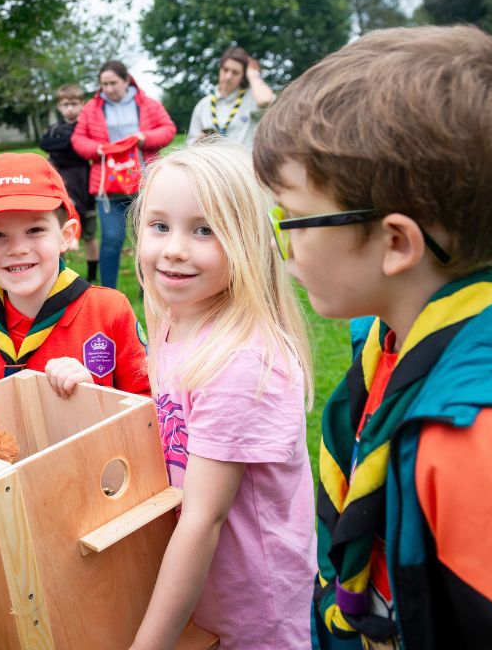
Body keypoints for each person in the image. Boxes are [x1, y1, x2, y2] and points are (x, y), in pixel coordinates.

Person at [254, 25, 492, 649]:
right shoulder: (389, 342)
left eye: (293, 218)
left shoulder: (477, 437)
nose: (284, 242)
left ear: (397, 243)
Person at [130, 140, 314, 649]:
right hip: (200, 594)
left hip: (251, 608)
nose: (174, 248)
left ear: (249, 241)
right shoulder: (175, 324)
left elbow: (202, 520)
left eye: (205, 230)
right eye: (160, 225)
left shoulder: (239, 364)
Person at [0, 153, 149, 396]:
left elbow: (150, 408)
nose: (18, 249)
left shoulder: (109, 311)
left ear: (66, 236)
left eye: (35, 230)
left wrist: (97, 396)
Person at [71, 60, 176, 289]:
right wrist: (96, 149)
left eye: (113, 83)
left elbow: (168, 129)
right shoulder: (92, 108)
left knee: (147, 238)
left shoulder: (147, 104)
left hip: (144, 182)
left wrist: (143, 138)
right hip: (108, 187)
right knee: (111, 238)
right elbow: (78, 139)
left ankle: (148, 289)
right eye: (104, 84)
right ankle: (108, 291)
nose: (108, 89)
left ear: (127, 80)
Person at [39, 83, 100, 281]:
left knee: (90, 233)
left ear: (82, 104)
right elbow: (47, 146)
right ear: (59, 106)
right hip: (62, 184)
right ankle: (58, 275)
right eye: (66, 104)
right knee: (58, 231)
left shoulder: (87, 128)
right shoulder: (55, 129)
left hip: (85, 183)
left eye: (74, 104)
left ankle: (91, 277)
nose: (70, 109)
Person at [186, 46, 275, 148]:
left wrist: (253, 74)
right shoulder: (203, 105)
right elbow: (189, 145)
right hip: (213, 163)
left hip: (243, 162)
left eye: (235, 72)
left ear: (243, 76)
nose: (228, 76)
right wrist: (200, 140)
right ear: (220, 69)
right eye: (225, 70)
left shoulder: (251, 98)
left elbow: (265, 100)